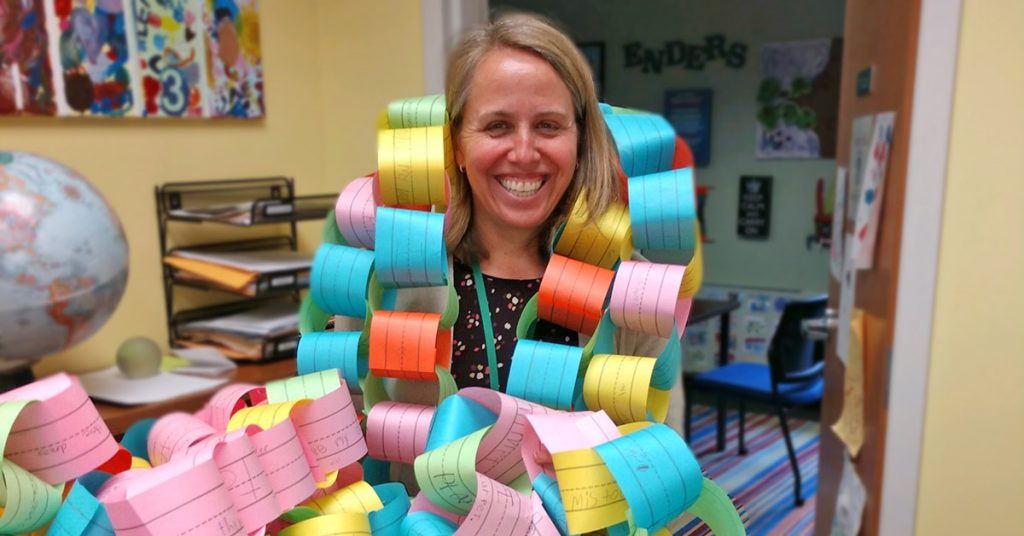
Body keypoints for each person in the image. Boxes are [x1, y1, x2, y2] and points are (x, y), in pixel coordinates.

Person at [373, 11, 685, 437]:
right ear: (458, 144)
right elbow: (351, 431)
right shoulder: (398, 277)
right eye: (497, 126)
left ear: (579, 142)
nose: (523, 152)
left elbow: (663, 458)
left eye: (548, 126)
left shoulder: (634, 294)